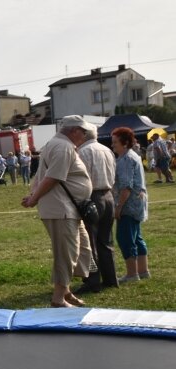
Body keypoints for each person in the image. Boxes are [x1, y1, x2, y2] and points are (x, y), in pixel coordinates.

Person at [21, 116, 93, 308]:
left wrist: (33, 195)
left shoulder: (57, 145)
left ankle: (66, 292)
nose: (85, 135)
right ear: (74, 131)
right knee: (67, 254)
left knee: (81, 250)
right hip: (62, 209)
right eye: (83, 131)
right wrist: (34, 198)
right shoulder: (63, 147)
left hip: (68, 209)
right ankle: (58, 298)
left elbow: (40, 175)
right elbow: (51, 177)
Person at [76, 124, 119, 293]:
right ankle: (110, 278)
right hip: (108, 196)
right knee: (106, 240)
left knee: (89, 241)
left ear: (84, 135)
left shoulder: (83, 152)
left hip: (92, 197)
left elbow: (82, 179)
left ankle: (92, 281)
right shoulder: (106, 150)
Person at [111, 127, 150, 283]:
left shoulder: (126, 159)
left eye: (115, 142)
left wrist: (118, 207)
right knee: (137, 238)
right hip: (137, 203)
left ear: (125, 143)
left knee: (125, 238)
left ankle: (132, 274)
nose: (112, 145)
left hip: (129, 205)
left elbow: (126, 186)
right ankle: (143, 271)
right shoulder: (132, 156)